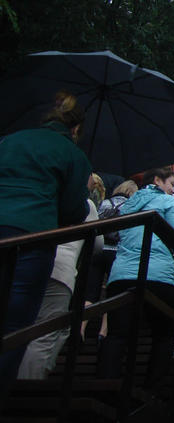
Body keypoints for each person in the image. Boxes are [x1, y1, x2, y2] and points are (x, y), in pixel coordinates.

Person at [0, 90, 92, 397]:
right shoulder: (72, 154)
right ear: (76, 128)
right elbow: (73, 211)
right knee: (17, 322)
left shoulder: (11, 140)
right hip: (33, 237)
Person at [97, 167, 174, 386]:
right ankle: (154, 388)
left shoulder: (128, 206)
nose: (173, 190)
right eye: (171, 184)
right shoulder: (169, 203)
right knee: (163, 333)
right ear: (158, 181)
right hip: (159, 276)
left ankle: (106, 384)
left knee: (117, 333)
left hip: (122, 273)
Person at [18, 193, 102, 379]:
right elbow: (98, 245)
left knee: (20, 326)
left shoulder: (40, 200)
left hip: (26, 265)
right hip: (61, 270)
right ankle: (27, 385)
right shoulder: (85, 204)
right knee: (46, 332)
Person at [82, 179, 139, 341]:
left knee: (90, 293)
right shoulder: (132, 206)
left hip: (99, 251)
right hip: (117, 252)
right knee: (111, 291)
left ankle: (80, 328)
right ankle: (103, 332)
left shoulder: (105, 203)